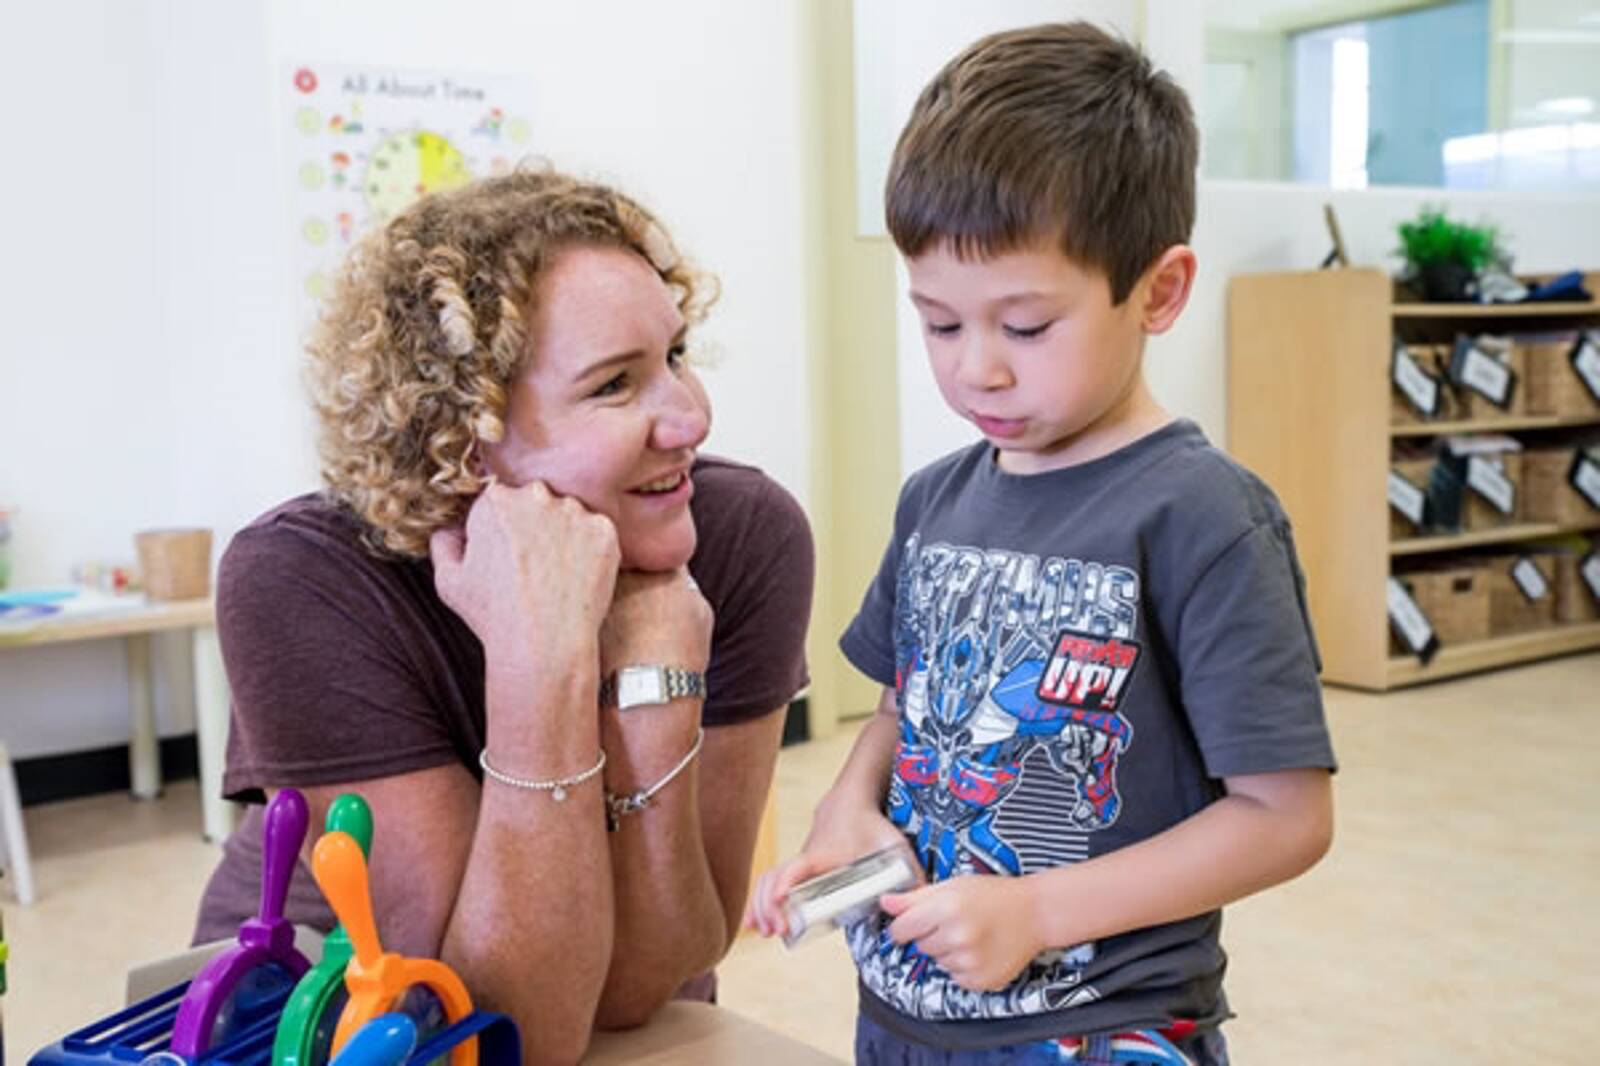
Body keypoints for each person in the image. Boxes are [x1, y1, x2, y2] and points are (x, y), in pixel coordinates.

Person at [746, 22, 1334, 1066]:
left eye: (1023, 327)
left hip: (1101, 1028)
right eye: (938, 323)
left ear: (1157, 290)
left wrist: (1041, 910)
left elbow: (1284, 816)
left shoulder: (1202, 516)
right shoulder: (934, 500)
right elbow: (901, 704)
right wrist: (845, 809)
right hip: (903, 1015)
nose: (978, 370)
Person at [193, 168, 814, 1064]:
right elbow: (507, 1022)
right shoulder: (300, 577)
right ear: (464, 437)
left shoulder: (744, 536)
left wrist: (655, 680)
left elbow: (648, 981)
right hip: (315, 1018)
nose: (690, 418)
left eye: (675, 358)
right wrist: (542, 658)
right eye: (613, 385)